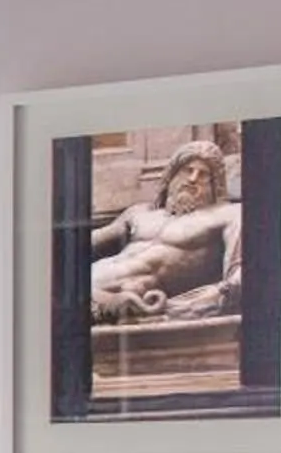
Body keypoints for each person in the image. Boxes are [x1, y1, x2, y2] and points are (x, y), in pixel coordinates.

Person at [90, 138, 243, 322]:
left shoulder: (229, 214)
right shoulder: (139, 213)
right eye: (188, 170)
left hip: (129, 302)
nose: (193, 179)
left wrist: (189, 306)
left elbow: (239, 276)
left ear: (214, 185)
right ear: (172, 175)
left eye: (203, 175)